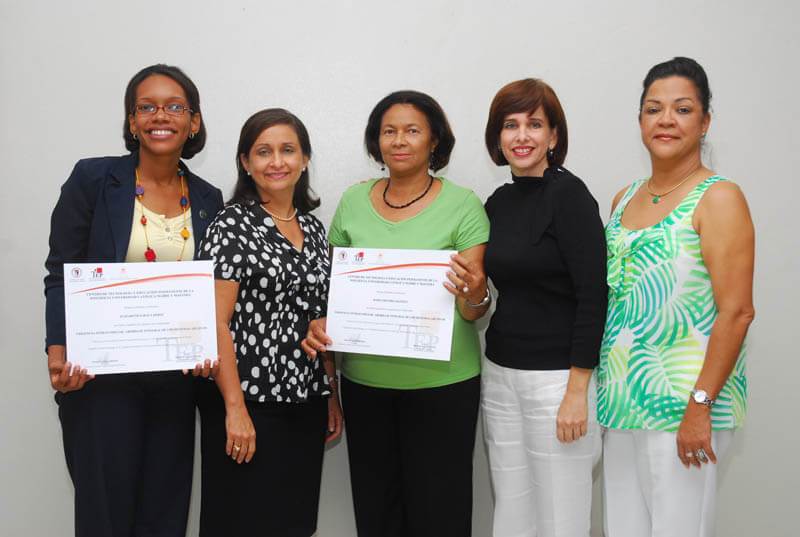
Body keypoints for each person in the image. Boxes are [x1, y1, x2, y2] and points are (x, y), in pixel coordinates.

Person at [44, 64, 223, 537]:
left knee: (164, 516)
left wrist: (206, 346)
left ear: (193, 122)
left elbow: (211, 289)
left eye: (174, 107)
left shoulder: (209, 199)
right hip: (100, 382)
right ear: (131, 121)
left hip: (175, 384)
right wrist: (58, 351)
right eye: (147, 107)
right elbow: (60, 272)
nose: (159, 116)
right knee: (105, 517)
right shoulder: (93, 179)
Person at [302, 90, 490, 537]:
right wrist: (326, 333)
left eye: (412, 130)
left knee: (440, 514)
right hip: (366, 387)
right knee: (377, 511)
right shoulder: (352, 201)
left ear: (434, 141)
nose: (399, 140)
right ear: (376, 141)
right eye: (389, 131)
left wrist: (477, 294)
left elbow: (472, 308)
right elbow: (335, 293)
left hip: (443, 387)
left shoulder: (463, 204)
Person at [598, 57, 755, 537]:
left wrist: (699, 405)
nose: (666, 120)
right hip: (621, 403)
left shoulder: (719, 197)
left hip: (686, 407)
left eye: (682, 109)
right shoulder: (624, 198)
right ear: (640, 120)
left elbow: (737, 311)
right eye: (654, 109)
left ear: (705, 122)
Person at [195, 108, 343, 537]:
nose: (276, 161)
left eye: (287, 150)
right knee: (242, 522)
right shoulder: (231, 225)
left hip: (305, 402)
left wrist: (330, 393)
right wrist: (235, 409)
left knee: (294, 522)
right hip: (248, 401)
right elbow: (215, 322)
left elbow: (319, 320)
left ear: (305, 159)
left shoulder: (315, 230)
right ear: (245, 162)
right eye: (263, 152)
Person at [480, 78, 607, 537]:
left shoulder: (569, 196)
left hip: (558, 382)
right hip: (500, 375)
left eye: (534, 124)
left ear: (554, 136)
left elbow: (594, 294)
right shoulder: (498, 203)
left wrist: (577, 391)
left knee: (560, 519)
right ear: (498, 137)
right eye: (510, 125)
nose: (522, 136)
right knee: (511, 513)